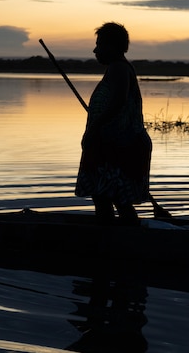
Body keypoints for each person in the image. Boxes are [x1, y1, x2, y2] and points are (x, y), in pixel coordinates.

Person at [75, 22, 152, 225]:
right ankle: (116, 239)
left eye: (99, 45)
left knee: (110, 197)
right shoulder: (117, 68)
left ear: (112, 47)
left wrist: (93, 129)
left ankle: (116, 242)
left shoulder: (118, 68)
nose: (95, 50)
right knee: (108, 196)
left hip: (120, 146)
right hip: (114, 144)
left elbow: (118, 102)